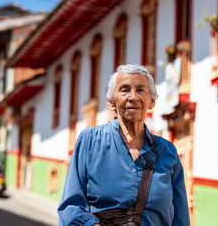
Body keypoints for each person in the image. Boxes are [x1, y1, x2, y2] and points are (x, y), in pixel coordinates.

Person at [58, 64, 190, 226]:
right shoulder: (90, 141)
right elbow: (70, 207)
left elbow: (181, 217)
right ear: (111, 102)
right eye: (124, 90)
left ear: (151, 102)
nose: (133, 97)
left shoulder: (167, 152)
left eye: (141, 90)